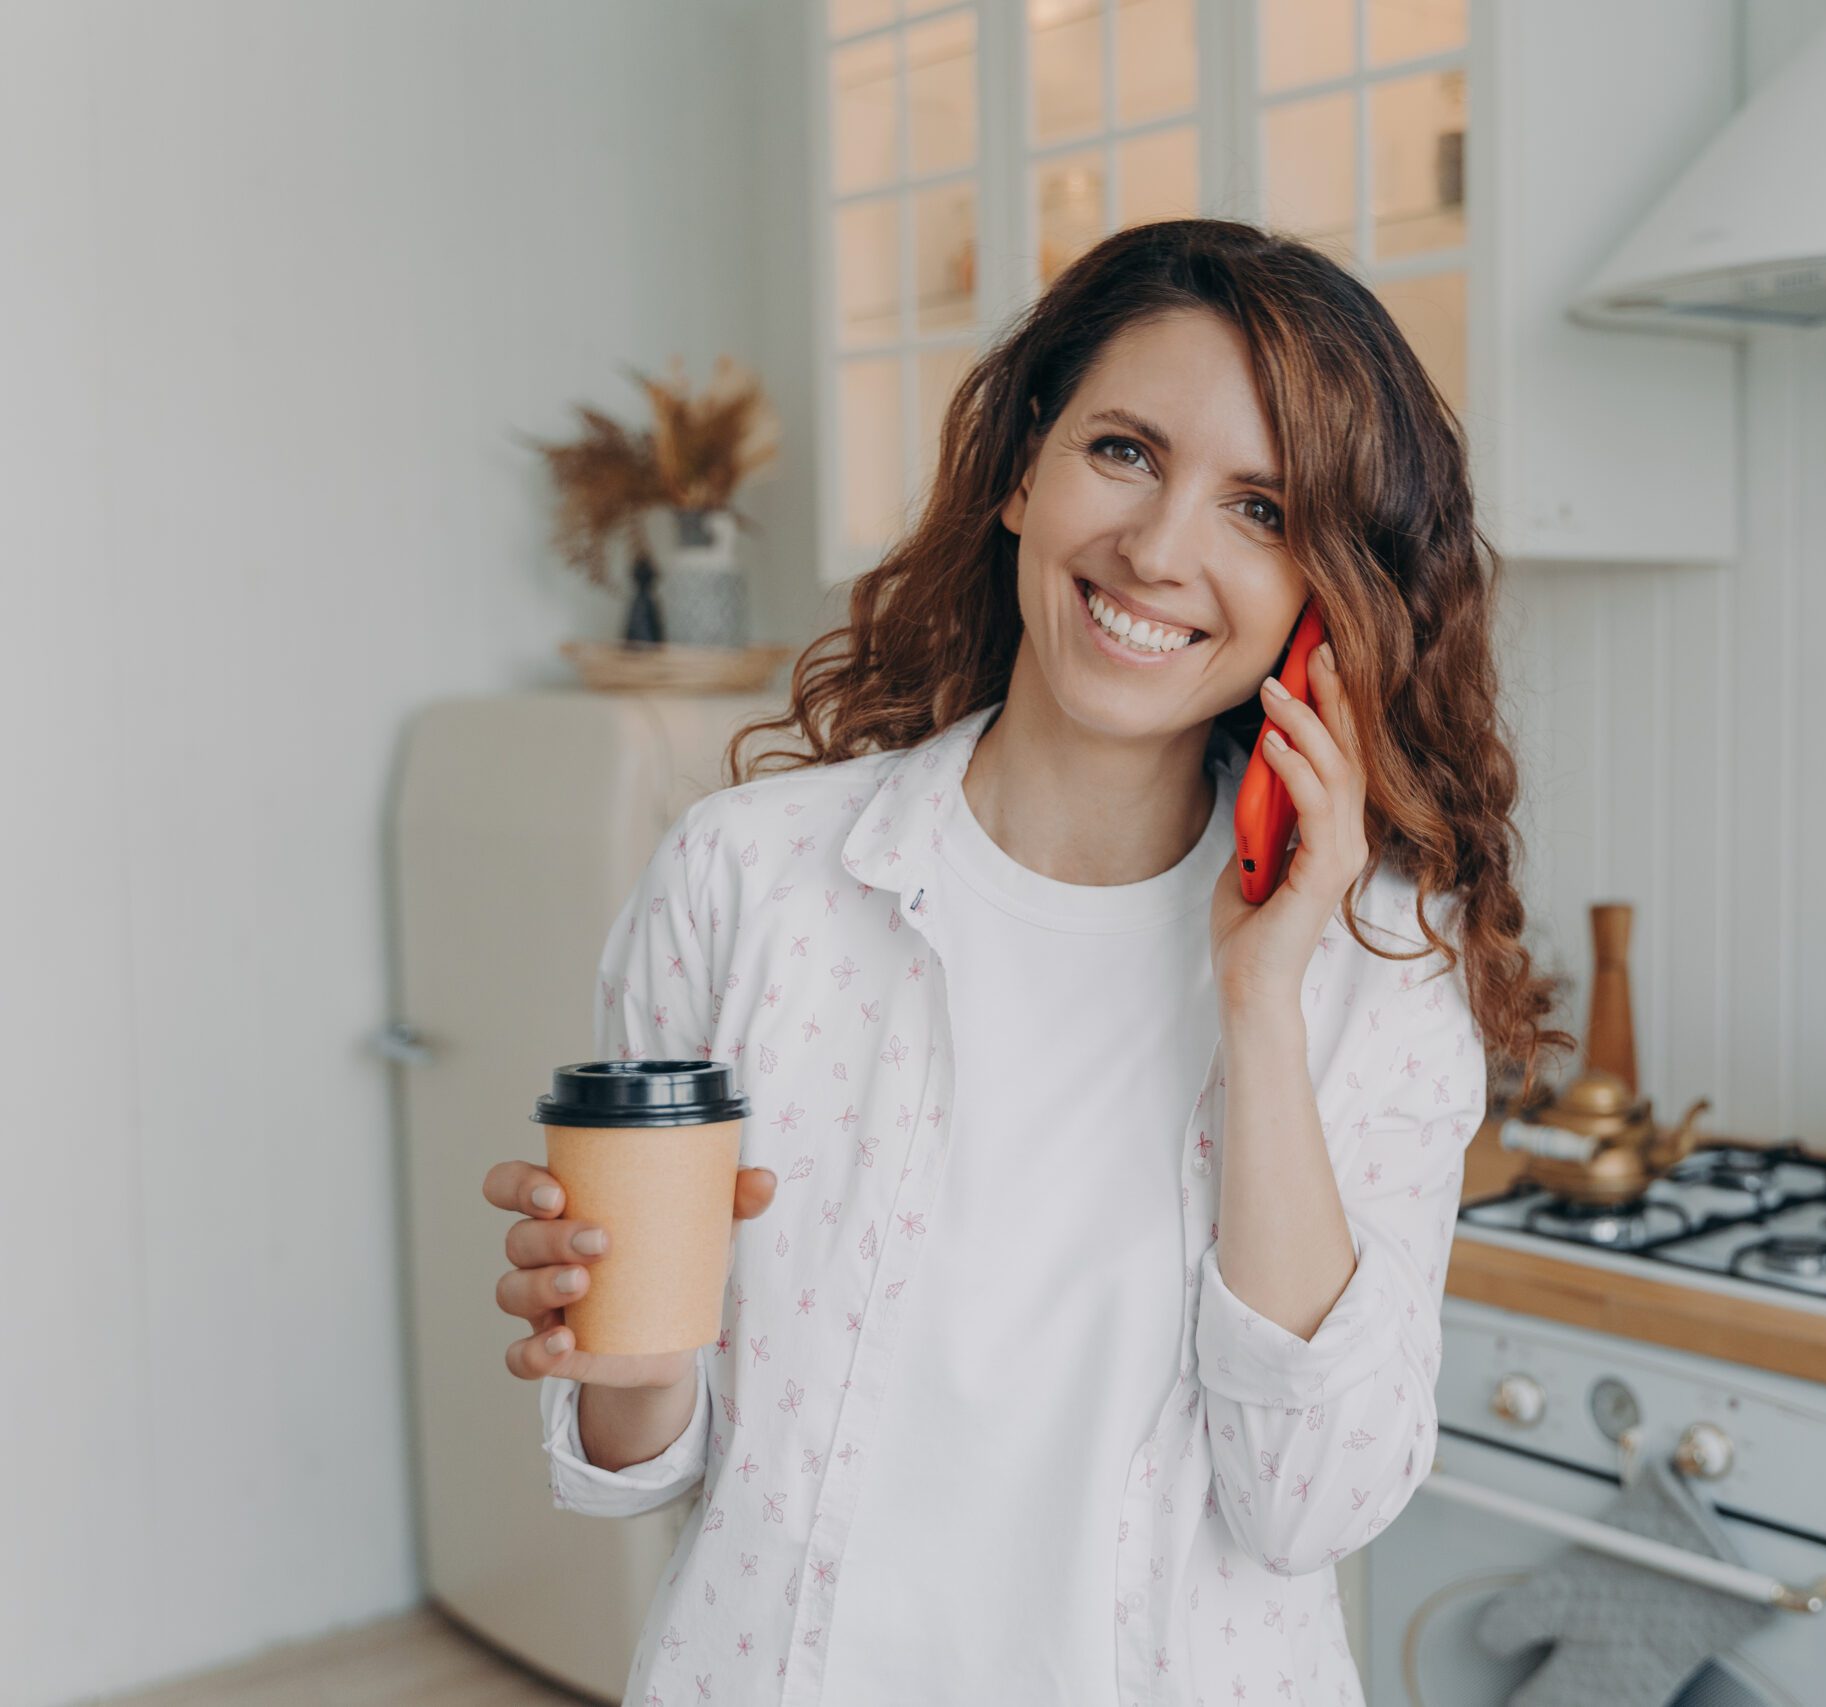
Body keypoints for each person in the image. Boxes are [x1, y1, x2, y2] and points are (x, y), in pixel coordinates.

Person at [483, 217, 1569, 1706]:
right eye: (1125, 451)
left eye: (1263, 509)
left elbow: (1309, 1506)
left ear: (1333, 599)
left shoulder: (1379, 971)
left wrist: (1260, 1000)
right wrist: (616, 1341)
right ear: (1021, 472)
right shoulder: (750, 880)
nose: (1162, 547)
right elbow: (635, 1469)